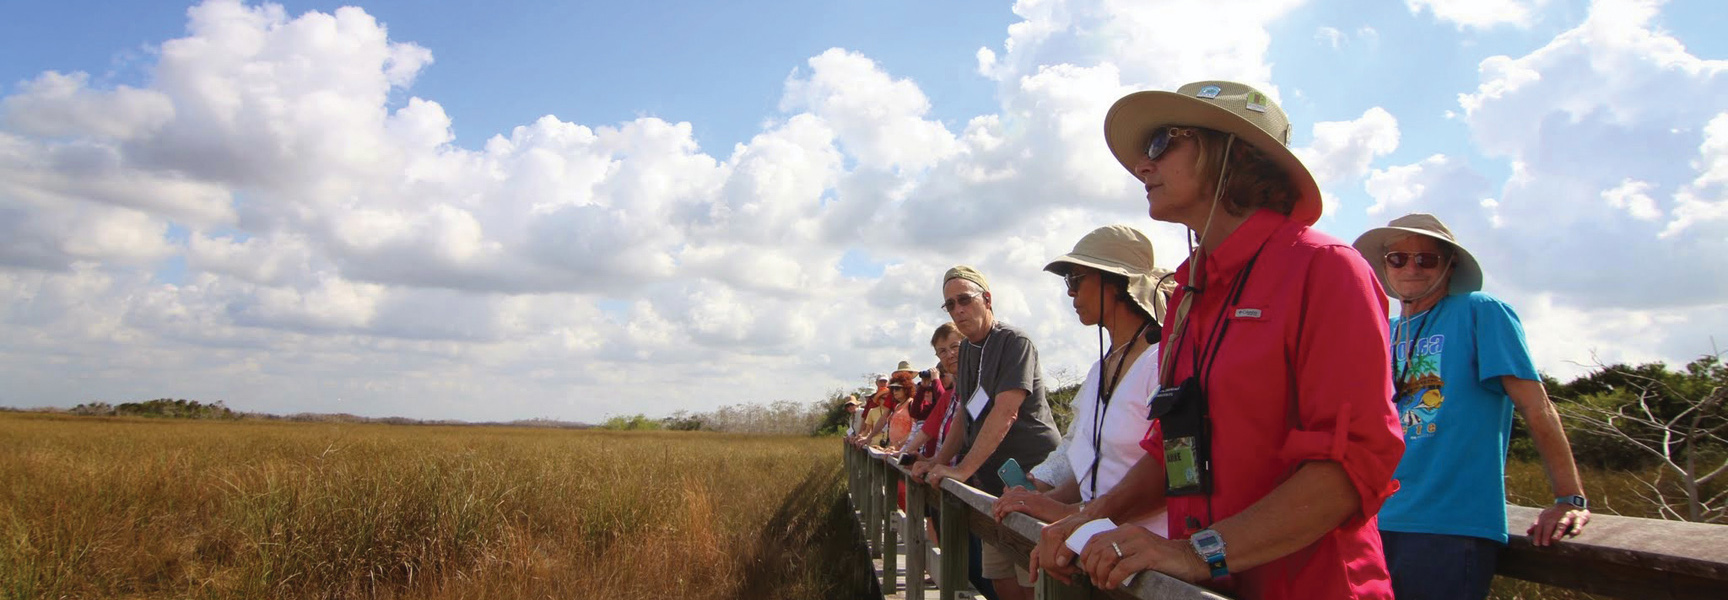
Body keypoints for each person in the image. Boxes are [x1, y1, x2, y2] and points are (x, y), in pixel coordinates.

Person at [1049, 81, 1404, 599]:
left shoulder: (1324, 269)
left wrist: (1197, 552)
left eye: (1160, 144)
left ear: (1232, 152)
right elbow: (1172, 444)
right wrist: (1085, 519)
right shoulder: (1192, 292)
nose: (1142, 167)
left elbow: (1353, 462)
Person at [1353, 213, 1590, 600]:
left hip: (1448, 527)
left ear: (1450, 265)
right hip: (1374, 523)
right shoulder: (1385, 330)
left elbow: (1536, 406)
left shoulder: (1481, 311)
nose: (1411, 267)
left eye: (1425, 258)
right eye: (1398, 258)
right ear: (1384, 266)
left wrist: (1569, 499)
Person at [992, 225, 1175, 541]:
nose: (1070, 292)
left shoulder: (1161, 362)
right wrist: (1040, 499)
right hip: (1095, 548)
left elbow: (1169, 467)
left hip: (1146, 561)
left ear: (1115, 282)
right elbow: (1091, 462)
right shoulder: (1099, 371)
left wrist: (1067, 514)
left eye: (1076, 279)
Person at [911, 265, 1062, 600]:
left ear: (987, 299)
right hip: (993, 488)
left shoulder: (1014, 342)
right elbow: (967, 415)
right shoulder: (965, 353)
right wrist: (939, 459)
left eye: (964, 299)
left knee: (1031, 582)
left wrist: (962, 469)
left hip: (1033, 479)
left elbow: (1005, 411)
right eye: (949, 304)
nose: (958, 309)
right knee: (1001, 582)